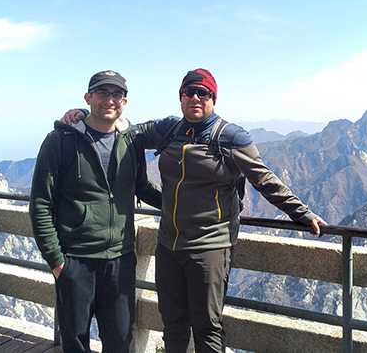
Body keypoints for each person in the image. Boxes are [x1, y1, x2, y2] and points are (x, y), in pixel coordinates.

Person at [62, 68, 328, 353]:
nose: (196, 97)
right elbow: (123, 130)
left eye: (204, 93)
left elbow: (265, 180)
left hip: (210, 248)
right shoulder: (169, 129)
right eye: (189, 92)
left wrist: (304, 213)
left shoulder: (231, 137)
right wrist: (85, 113)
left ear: (214, 98)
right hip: (169, 245)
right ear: (181, 97)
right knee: (173, 323)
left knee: (207, 326)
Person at [30, 70, 162, 353]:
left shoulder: (132, 140)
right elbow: (41, 203)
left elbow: (143, 187)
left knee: (120, 340)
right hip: (76, 260)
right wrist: (57, 262)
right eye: (102, 93)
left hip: (121, 258)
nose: (110, 100)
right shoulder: (60, 141)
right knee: (75, 342)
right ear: (88, 98)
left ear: (124, 102)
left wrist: (188, 206)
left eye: (117, 94)